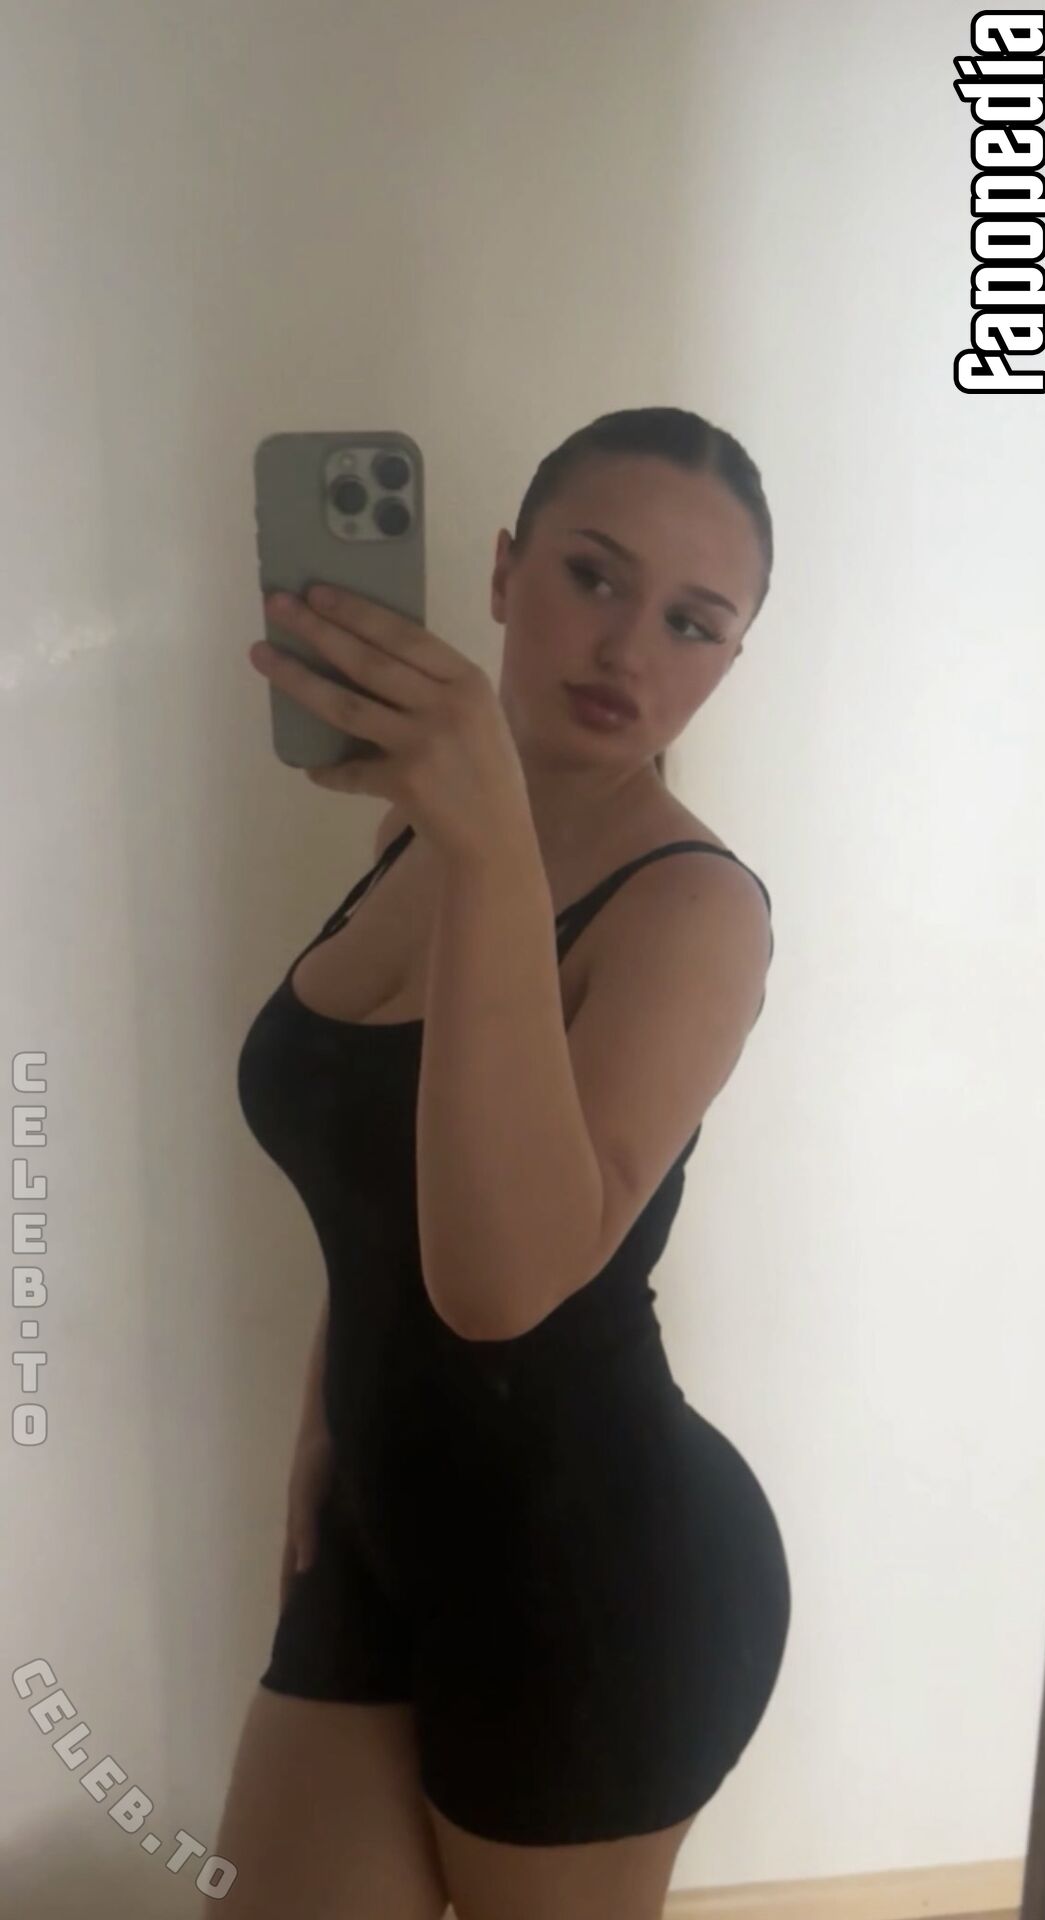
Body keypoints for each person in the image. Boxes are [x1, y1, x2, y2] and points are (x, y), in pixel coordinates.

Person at [215, 407, 792, 1919]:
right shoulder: (412, 844)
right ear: (500, 572)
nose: (626, 649)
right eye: (593, 577)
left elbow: (503, 1285)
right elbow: (379, 1194)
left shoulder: (694, 911)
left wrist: (488, 848)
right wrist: (324, 1422)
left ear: (728, 662)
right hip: (381, 1525)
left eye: (692, 622)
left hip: (592, 1574)